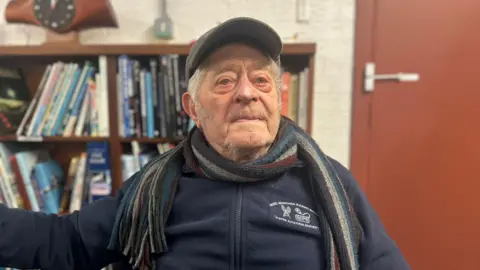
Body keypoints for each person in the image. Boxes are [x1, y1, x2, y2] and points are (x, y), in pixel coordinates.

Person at [0, 17, 410, 270]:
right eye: (225, 80)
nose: (247, 93)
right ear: (192, 108)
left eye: (261, 80)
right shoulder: (155, 188)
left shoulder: (332, 185)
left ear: (278, 99)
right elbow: (66, 244)